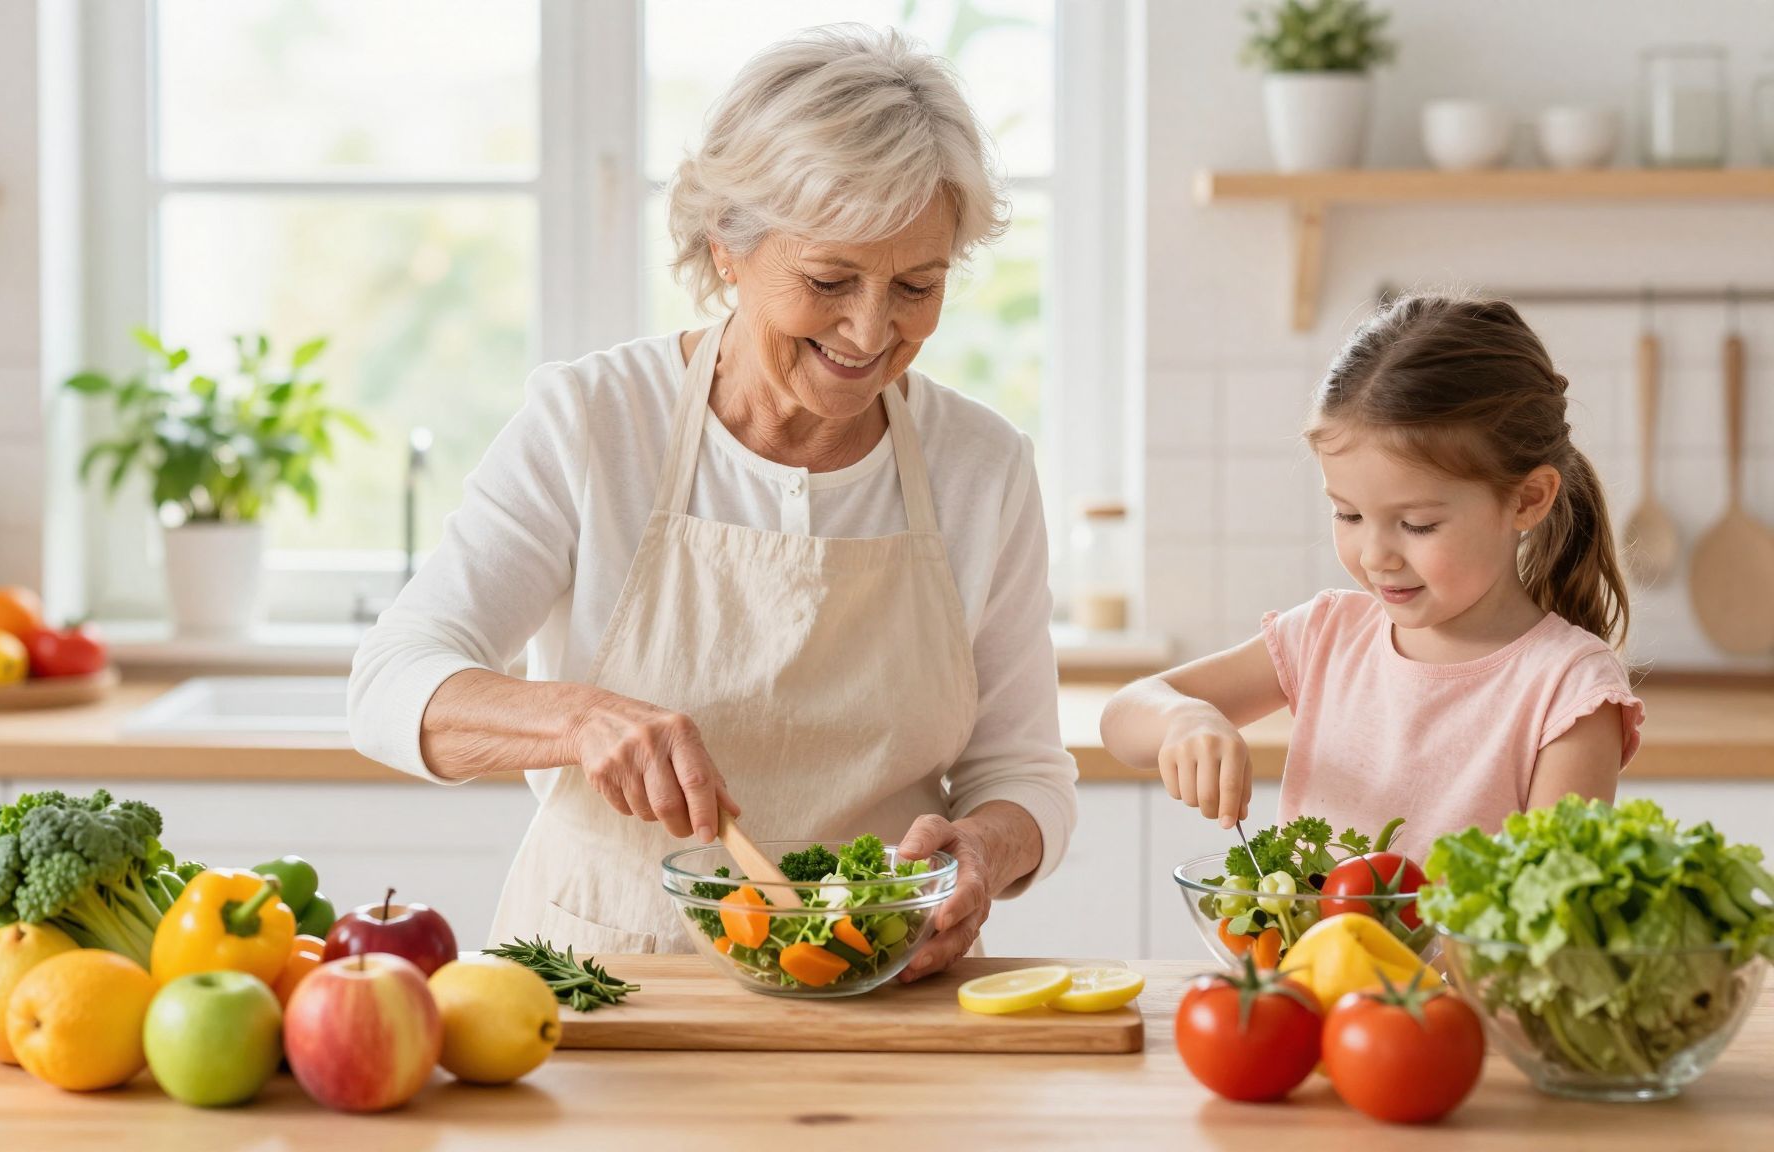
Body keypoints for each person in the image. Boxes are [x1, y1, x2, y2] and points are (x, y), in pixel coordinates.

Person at [350, 25, 1076, 978]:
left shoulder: (983, 468)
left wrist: (983, 851)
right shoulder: (594, 421)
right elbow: (390, 685)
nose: (870, 330)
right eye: (828, 280)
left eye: (916, 285)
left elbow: (1024, 773)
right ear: (725, 247)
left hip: (874, 980)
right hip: (604, 982)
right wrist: (581, 719)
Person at [1100, 295, 1643, 859]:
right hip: (1310, 953)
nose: (1376, 555)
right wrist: (1185, 718)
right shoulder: (1328, 635)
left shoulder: (1570, 688)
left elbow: (1548, 914)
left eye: (1417, 524)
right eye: (1348, 515)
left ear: (1528, 499)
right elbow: (1123, 717)